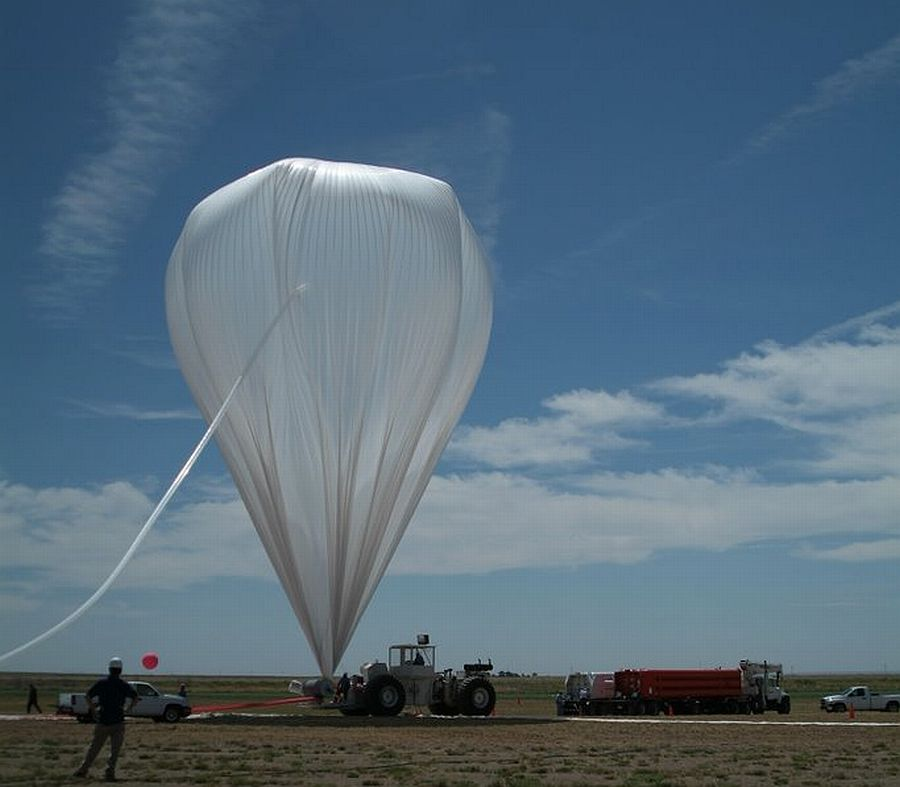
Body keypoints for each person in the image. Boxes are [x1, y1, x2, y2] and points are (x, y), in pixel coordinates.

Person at [73, 657, 139, 782]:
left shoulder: (101, 683)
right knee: (114, 751)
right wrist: (128, 709)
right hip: (118, 721)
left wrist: (93, 709)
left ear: (109, 669)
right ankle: (109, 772)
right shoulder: (123, 685)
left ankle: (83, 769)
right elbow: (135, 697)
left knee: (94, 747)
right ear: (120, 670)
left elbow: (87, 696)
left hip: (103, 719)